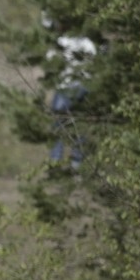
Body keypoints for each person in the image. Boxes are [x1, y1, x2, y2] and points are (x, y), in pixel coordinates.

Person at [45, 16, 96, 169]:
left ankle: (55, 163)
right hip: (83, 88)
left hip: (66, 88)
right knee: (79, 128)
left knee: (59, 127)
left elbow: (50, 61)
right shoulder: (87, 42)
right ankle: (77, 164)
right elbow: (93, 66)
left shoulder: (61, 42)